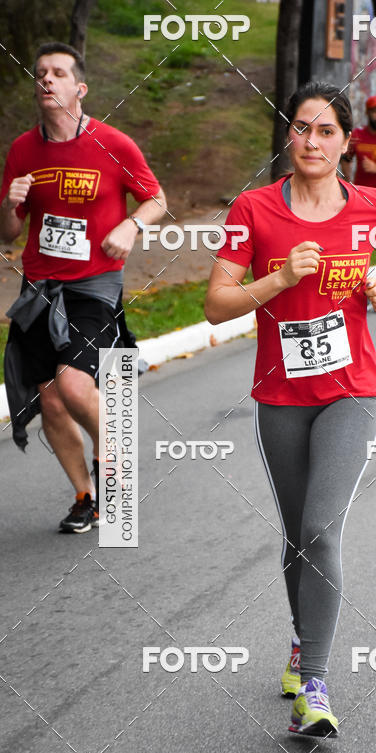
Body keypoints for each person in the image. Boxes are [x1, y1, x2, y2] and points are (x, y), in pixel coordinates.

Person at [205, 82, 376, 738]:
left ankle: (315, 684)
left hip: (353, 389)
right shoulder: (254, 209)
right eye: (302, 129)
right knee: (298, 537)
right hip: (281, 396)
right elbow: (217, 303)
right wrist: (280, 278)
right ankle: (302, 644)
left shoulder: (372, 205)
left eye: (326, 131)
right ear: (288, 137)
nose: (313, 141)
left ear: (347, 143)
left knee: (323, 528)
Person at [0, 41, 166, 533]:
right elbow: (8, 234)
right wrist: (9, 205)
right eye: (40, 74)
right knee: (48, 397)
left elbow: (156, 197)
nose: (46, 80)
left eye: (57, 73)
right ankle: (86, 497)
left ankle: (114, 457)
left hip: (94, 284)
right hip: (40, 286)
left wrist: (131, 226)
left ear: (80, 87)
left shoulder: (113, 143)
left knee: (74, 385)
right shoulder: (23, 150)